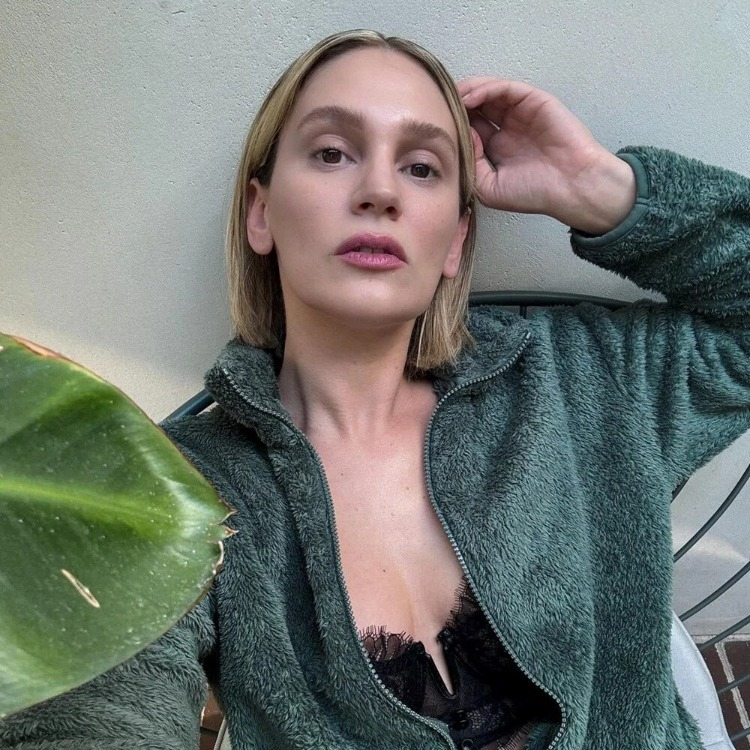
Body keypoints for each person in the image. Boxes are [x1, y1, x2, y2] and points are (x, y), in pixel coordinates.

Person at [2, 28, 749, 750]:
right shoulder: (177, 486)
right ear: (261, 213)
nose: (380, 190)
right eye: (332, 153)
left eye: (422, 167)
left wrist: (600, 188)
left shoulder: (581, 377)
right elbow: (97, 700)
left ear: (455, 240)